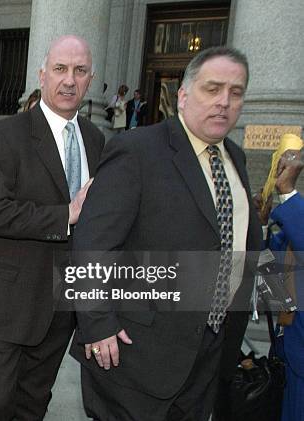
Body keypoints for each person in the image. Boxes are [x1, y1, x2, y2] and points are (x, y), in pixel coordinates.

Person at [70, 46, 262, 421]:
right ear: (184, 95)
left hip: (208, 355)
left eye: (235, 92)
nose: (224, 101)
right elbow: (93, 244)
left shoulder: (235, 159)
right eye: (213, 89)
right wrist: (97, 324)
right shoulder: (136, 151)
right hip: (134, 355)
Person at [0, 34, 105, 421]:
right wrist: (64, 215)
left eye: (80, 71)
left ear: (91, 79)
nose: (69, 80)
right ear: (41, 75)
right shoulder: (6, 135)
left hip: (61, 305)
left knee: (32, 404)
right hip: (5, 302)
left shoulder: (95, 139)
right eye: (60, 69)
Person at [262, 148, 303, 421]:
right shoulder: (292, 223)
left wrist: (287, 193)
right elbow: (268, 267)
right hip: (289, 348)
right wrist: (262, 224)